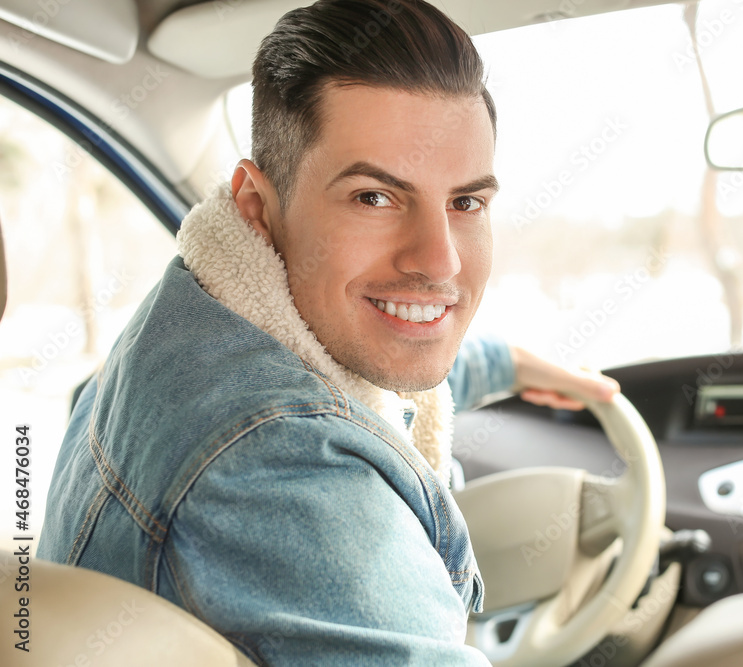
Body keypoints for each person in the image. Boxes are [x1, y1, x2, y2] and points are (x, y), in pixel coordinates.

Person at [38, 0, 618, 663]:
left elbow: (348, 356)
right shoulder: (286, 467)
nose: (440, 261)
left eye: (466, 202)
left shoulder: (186, 320)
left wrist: (504, 363)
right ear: (259, 207)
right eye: (375, 197)